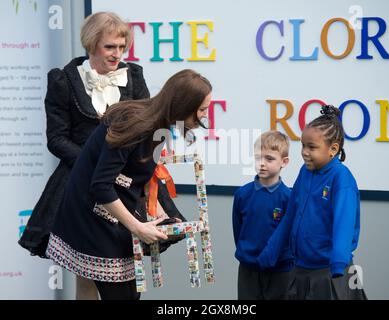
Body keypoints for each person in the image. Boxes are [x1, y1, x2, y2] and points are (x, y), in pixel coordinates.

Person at [18, 11, 183, 299]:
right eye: (110, 47)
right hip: (80, 184)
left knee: (126, 264)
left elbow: (148, 125)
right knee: (87, 275)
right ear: (91, 44)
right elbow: (56, 139)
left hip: (129, 185)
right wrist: (94, 162)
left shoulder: (134, 76)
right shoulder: (63, 80)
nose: (117, 54)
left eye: (122, 47)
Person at [45, 69, 212, 300]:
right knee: (123, 294)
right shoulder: (135, 124)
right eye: (203, 109)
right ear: (184, 106)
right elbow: (101, 185)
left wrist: (157, 213)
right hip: (90, 215)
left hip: (109, 211)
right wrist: (138, 226)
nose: (205, 116)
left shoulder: (158, 127)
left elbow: (140, 176)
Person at [257, 105, 367, 300]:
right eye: (303, 145)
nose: (305, 152)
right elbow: (291, 214)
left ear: (333, 149)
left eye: (312, 147)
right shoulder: (305, 172)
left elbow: (344, 222)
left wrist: (338, 262)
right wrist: (271, 252)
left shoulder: (341, 178)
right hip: (300, 269)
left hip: (332, 272)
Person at [232, 130, 294, 300]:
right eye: (258, 158)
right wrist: (247, 254)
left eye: (269, 158)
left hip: (280, 270)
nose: (262, 164)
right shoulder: (242, 194)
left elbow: (290, 237)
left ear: (284, 162)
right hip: (248, 269)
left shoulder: (289, 198)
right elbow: (238, 231)